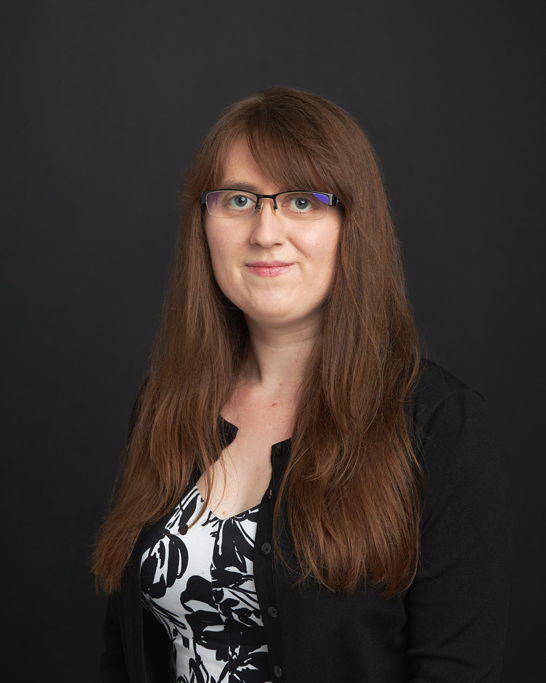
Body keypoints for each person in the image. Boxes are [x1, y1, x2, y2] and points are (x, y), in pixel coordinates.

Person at [93, 86, 512, 683]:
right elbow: (123, 650)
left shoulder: (440, 426)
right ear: (204, 223)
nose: (266, 231)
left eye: (303, 201)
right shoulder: (167, 408)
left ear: (351, 223)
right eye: (238, 199)